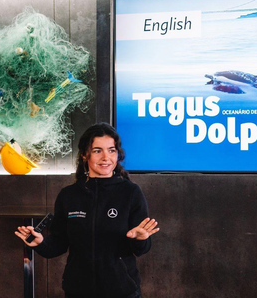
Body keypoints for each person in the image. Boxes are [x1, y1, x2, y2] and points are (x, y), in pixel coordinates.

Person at [15, 122, 159, 298]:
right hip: (77, 290)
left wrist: (141, 239)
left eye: (111, 150)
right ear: (85, 155)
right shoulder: (69, 195)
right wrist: (40, 244)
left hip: (122, 290)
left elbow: (141, 249)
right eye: (98, 151)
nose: (106, 157)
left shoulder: (130, 192)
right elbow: (58, 244)